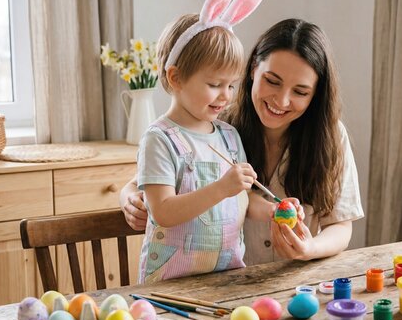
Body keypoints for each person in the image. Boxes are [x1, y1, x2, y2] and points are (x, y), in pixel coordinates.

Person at [122, 18, 364, 265]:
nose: (281, 101)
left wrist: (309, 247)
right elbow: (143, 185)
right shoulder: (215, 123)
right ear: (252, 70)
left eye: (300, 92)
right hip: (226, 283)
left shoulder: (329, 136)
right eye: (272, 81)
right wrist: (129, 198)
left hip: (296, 284)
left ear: (315, 95)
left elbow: (340, 225)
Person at [135, 0, 273, 283]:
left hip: (226, 280)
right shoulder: (159, 139)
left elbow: (242, 202)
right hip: (171, 286)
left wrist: (274, 211)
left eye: (232, 85)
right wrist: (221, 187)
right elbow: (164, 212)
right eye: (214, 84)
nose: (226, 95)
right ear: (176, 78)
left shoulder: (228, 136)